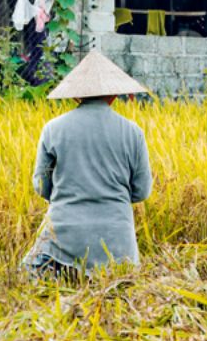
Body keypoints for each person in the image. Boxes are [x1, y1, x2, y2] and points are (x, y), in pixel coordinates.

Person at [23, 49, 153, 277]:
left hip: (63, 242)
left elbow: (42, 187)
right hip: (118, 248)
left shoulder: (53, 129)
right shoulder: (133, 132)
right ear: (114, 95)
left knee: (25, 275)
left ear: (76, 96)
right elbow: (142, 191)